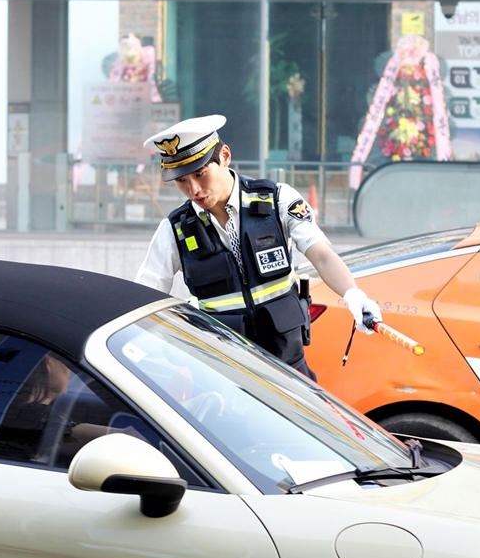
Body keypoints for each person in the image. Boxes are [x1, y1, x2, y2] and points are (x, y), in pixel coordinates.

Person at [135, 115, 382, 379]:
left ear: (225, 156)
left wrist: (353, 294)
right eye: (182, 180)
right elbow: (143, 296)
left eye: (200, 174)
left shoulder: (278, 200)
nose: (194, 189)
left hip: (289, 366)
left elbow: (321, 254)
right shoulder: (174, 230)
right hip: (224, 374)